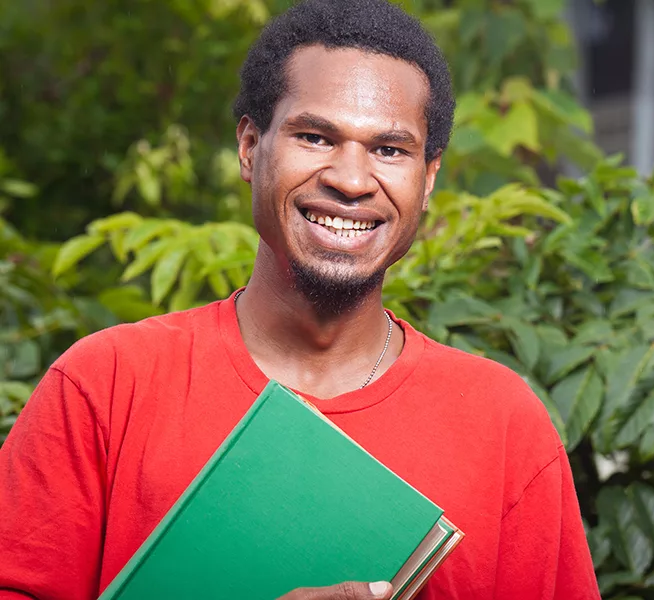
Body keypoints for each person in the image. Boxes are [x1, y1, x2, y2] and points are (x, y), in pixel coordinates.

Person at [0, 1, 599, 598]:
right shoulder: (105, 386)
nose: (352, 179)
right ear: (249, 146)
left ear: (429, 177)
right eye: (315, 137)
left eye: (390, 150)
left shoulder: (504, 426)